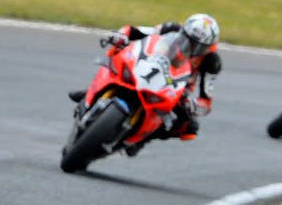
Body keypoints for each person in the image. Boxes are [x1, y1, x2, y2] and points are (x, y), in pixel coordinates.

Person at [69, 13, 222, 155]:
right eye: (188, 39)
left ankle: (144, 138)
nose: (191, 47)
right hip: (151, 64)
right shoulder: (171, 28)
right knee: (118, 52)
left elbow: (206, 101)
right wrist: (120, 36)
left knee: (189, 127)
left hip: (176, 88)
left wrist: (194, 106)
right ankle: (93, 90)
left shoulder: (211, 62)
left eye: (198, 46)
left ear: (209, 48)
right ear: (183, 31)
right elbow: (136, 31)